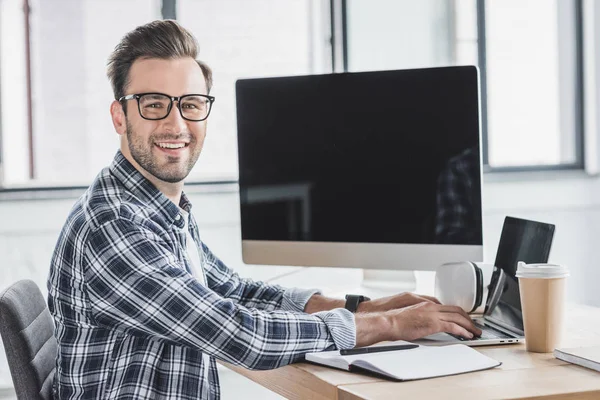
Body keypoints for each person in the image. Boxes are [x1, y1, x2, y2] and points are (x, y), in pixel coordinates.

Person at [47, 20, 481, 399]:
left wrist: (364, 307)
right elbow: (241, 334)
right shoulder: (114, 225)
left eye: (191, 104)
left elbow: (235, 293)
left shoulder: (159, 209)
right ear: (120, 117)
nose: (176, 124)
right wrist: (390, 326)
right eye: (154, 104)